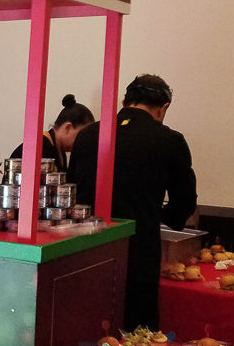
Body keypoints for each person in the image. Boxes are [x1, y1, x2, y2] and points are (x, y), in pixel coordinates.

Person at [68, 74, 197, 330]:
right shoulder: (170, 140)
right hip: (139, 253)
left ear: (124, 102)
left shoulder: (88, 135)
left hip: (86, 249)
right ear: (164, 108)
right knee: (136, 335)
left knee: (86, 326)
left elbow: (72, 190)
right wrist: (164, 216)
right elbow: (184, 202)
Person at [8, 94, 94, 172]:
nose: (82, 141)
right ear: (68, 128)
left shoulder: (59, 150)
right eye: (81, 135)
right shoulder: (40, 147)